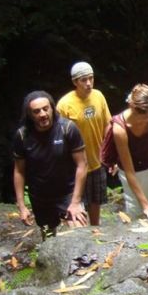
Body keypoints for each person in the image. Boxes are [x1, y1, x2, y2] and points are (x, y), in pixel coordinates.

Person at [12, 91, 89, 238]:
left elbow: (82, 164)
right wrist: (21, 206)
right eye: (36, 111)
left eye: (45, 108)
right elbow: (19, 171)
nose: (42, 114)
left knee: (79, 233)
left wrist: (76, 201)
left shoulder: (67, 129)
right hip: (40, 196)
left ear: (52, 108)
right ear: (30, 114)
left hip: (68, 191)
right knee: (48, 236)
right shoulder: (22, 136)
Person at [103, 84, 148, 219]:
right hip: (131, 172)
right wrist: (146, 206)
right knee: (137, 211)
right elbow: (129, 171)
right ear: (135, 110)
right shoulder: (120, 129)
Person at [56, 62, 112, 225]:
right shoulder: (65, 104)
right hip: (75, 166)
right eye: (83, 80)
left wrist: (109, 153)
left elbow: (107, 124)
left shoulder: (99, 96)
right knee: (76, 206)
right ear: (75, 82)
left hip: (96, 161)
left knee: (95, 202)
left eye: (91, 78)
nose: (88, 83)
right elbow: (59, 136)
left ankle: (95, 230)